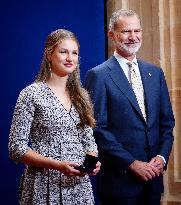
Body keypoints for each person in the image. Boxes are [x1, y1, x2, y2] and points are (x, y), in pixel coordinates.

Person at [85, 9, 175, 205]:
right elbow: (97, 128)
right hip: (119, 183)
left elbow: (167, 123)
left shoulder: (155, 73)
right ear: (111, 35)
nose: (133, 37)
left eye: (137, 31)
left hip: (152, 180)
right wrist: (131, 163)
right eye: (126, 32)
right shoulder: (98, 75)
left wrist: (161, 157)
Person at [8, 28, 101, 205]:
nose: (70, 58)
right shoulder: (31, 94)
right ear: (49, 55)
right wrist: (57, 165)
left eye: (74, 53)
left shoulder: (81, 96)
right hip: (44, 186)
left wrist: (93, 161)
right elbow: (16, 148)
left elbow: (89, 141)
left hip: (79, 188)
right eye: (63, 52)